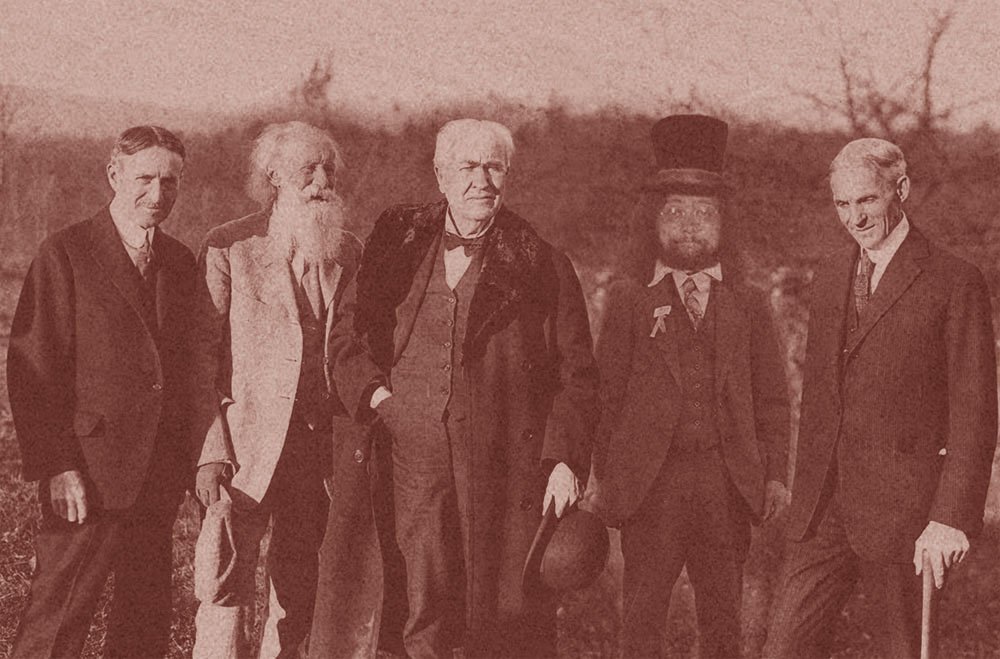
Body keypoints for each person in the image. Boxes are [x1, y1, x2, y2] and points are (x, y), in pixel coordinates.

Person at [313, 118, 599, 658]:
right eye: (468, 167)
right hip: (404, 458)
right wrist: (380, 401)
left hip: (500, 469)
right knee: (412, 600)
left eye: (494, 167)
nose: (481, 182)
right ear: (440, 175)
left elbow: (578, 377)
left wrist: (564, 459)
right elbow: (346, 339)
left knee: (496, 615)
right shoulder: (395, 241)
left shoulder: (542, 263)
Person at [765, 138, 998, 658]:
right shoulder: (830, 274)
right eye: (842, 204)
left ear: (902, 190)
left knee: (902, 651)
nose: (856, 218)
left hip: (907, 518)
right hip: (823, 510)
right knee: (783, 648)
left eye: (868, 199)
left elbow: (975, 414)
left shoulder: (954, 280)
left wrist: (950, 517)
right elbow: (823, 396)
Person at [589, 114, 790, 658]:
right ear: (652, 221)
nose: (690, 226)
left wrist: (775, 476)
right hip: (650, 486)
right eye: (675, 212)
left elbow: (773, 399)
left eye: (704, 213)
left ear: (726, 224)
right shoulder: (630, 300)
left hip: (727, 485)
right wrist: (601, 473)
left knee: (723, 618)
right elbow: (605, 397)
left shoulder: (748, 304)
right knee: (642, 616)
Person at [7, 126, 199, 657]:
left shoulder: (180, 261)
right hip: (87, 475)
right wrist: (58, 465)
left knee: (144, 625)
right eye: (144, 179)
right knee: (56, 622)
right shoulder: (65, 252)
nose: (157, 194)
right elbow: (33, 369)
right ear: (114, 175)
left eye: (170, 181)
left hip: (157, 477)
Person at [190, 121, 361, 658]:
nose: (321, 182)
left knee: (298, 582)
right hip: (244, 451)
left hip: (316, 451)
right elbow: (200, 361)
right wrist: (210, 452)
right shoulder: (229, 246)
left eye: (328, 169)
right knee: (224, 580)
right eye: (307, 170)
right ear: (273, 177)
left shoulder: (348, 251)